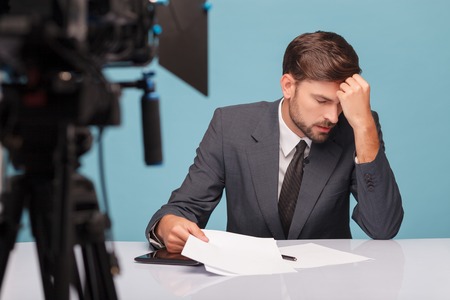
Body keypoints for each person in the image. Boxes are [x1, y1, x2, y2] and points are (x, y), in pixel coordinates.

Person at [146, 31, 404, 253]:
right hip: (247, 283)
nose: (333, 116)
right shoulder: (230, 126)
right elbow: (184, 206)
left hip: (326, 285)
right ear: (288, 86)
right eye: (322, 101)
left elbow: (383, 227)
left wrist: (364, 126)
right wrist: (168, 226)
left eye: (341, 103)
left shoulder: (357, 129)